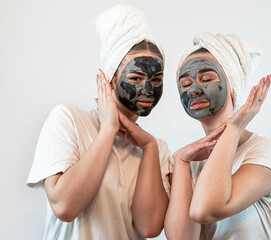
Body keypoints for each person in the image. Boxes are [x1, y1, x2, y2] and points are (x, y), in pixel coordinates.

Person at [27, 5, 170, 240]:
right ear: (109, 79)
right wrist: (107, 131)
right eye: (135, 77)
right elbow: (64, 207)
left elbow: (149, 228)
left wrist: (149, 148)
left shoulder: (157, 148)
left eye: (157, 79)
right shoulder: (69, 120)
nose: (148, 89)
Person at [164, 32, 271, 239]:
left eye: (206, 79)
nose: (194, 90)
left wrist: (232, 129)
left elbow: (205, 210)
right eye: (185, 84)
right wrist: (180, 161)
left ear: (232, 83)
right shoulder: (185, 161)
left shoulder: (270, 151)